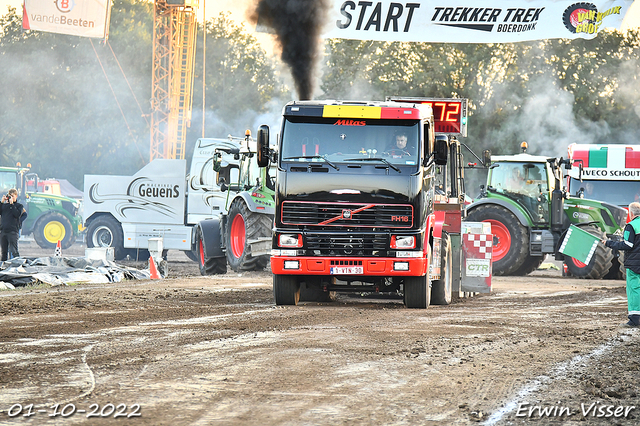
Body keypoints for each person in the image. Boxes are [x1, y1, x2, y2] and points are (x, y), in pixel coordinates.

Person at [604, 201, 640, 327]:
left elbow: (627, 245)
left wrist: (608, 243)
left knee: (634, 290)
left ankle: (635, 319)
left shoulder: (631, 226)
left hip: (634, 265)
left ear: (631, 213)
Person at [0, 188, 24, 261]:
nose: (11, 198)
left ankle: (17, 265)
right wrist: (2, 202)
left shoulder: (19, 206)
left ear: (16, 196)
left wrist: (12, 204)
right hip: (3, 231)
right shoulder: (4, 206)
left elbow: (17, 214)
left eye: (12, 196)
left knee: (14, 251)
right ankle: (3, 267)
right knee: (4, 252)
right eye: (10, 196)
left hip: (13, 231)